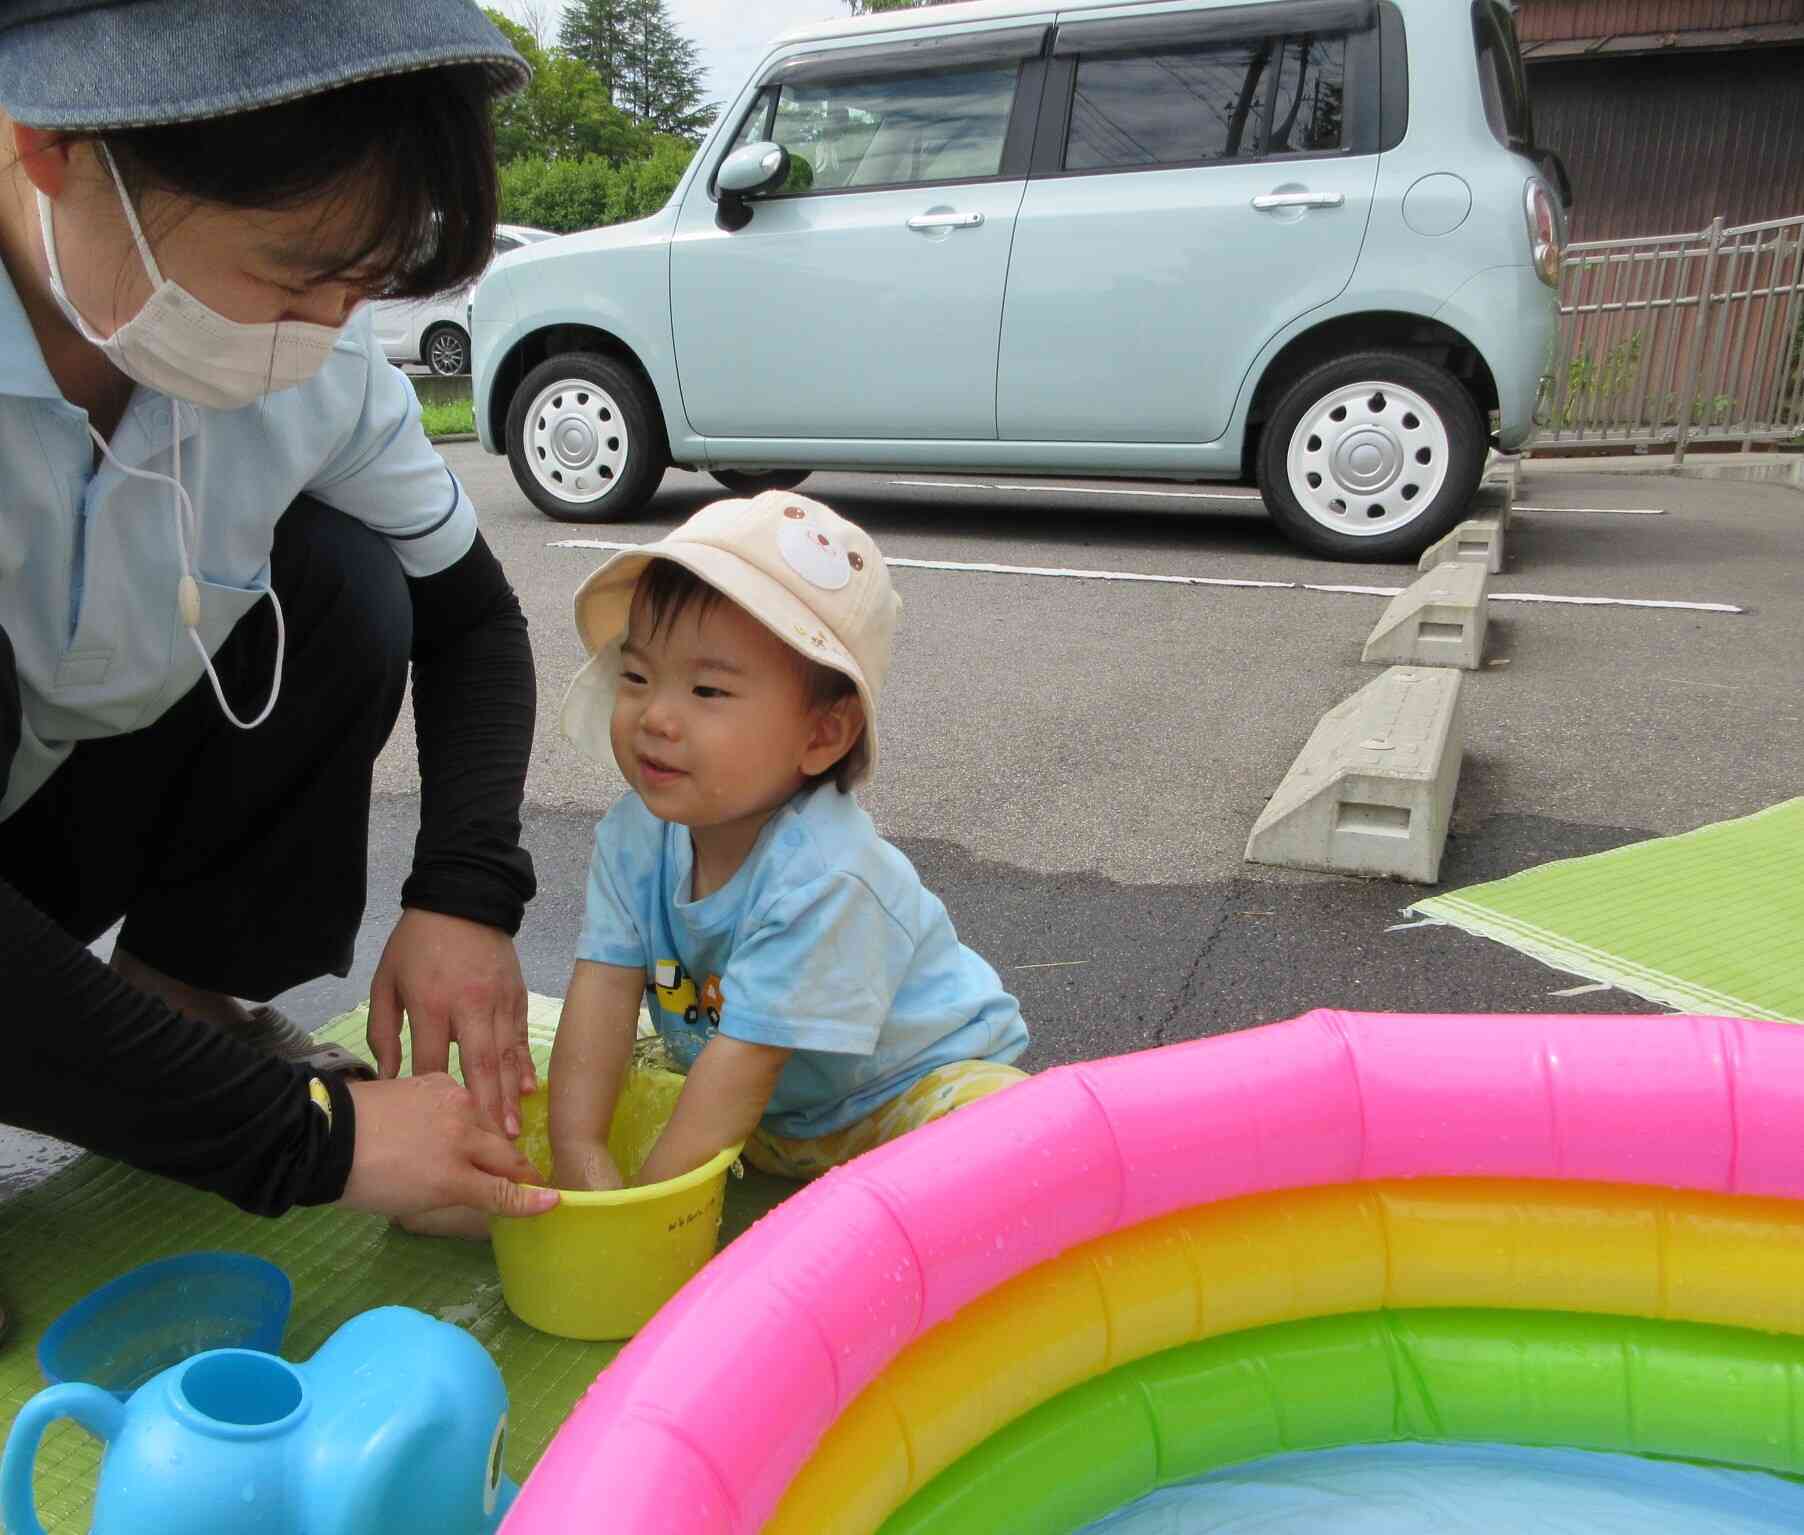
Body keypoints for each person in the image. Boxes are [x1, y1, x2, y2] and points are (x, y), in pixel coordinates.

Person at [0, 0, 558, 1231]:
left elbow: (472, 622)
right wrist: (308, 1140)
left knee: (348, 579)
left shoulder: (317, 361)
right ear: (55, 150)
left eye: (359, 289)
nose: (321, 340)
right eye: (291, 278)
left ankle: (183, 1008)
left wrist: (466, 891)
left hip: (46, 816)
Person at [547, 492, 1030, 1198]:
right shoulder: (634, 838)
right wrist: (579, 1159)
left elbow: (744, 1067)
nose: (656, 715)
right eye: (638, 676)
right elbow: (600, 998)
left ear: (822, 735)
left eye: (707, 689)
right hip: (781, 1114)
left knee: (996, 1137)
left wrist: (645, 1214)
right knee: (631, 1098)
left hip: (905, 1091)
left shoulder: (824, 875)